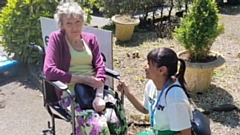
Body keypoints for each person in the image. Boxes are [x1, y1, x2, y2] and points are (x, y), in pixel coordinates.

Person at [43, 1, 120, 135]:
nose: (74, 28)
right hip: (70, 94)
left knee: (115, 121)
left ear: (83, 21)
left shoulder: (91, 39)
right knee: (98, 127)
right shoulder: (57, 39)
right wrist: (82, 79)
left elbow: (100, 65)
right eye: (69, 23)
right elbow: (48, 70)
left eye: (78, 22)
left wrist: (99, 95)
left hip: (95, 90)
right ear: (62, 25)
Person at [117, 47, 192, 135]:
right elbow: (145, 109)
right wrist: (127, 93)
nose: (145, 66)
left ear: (162, 70)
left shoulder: (175, 97)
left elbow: (186, 133)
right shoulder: (151, 84)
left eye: (149, 64)